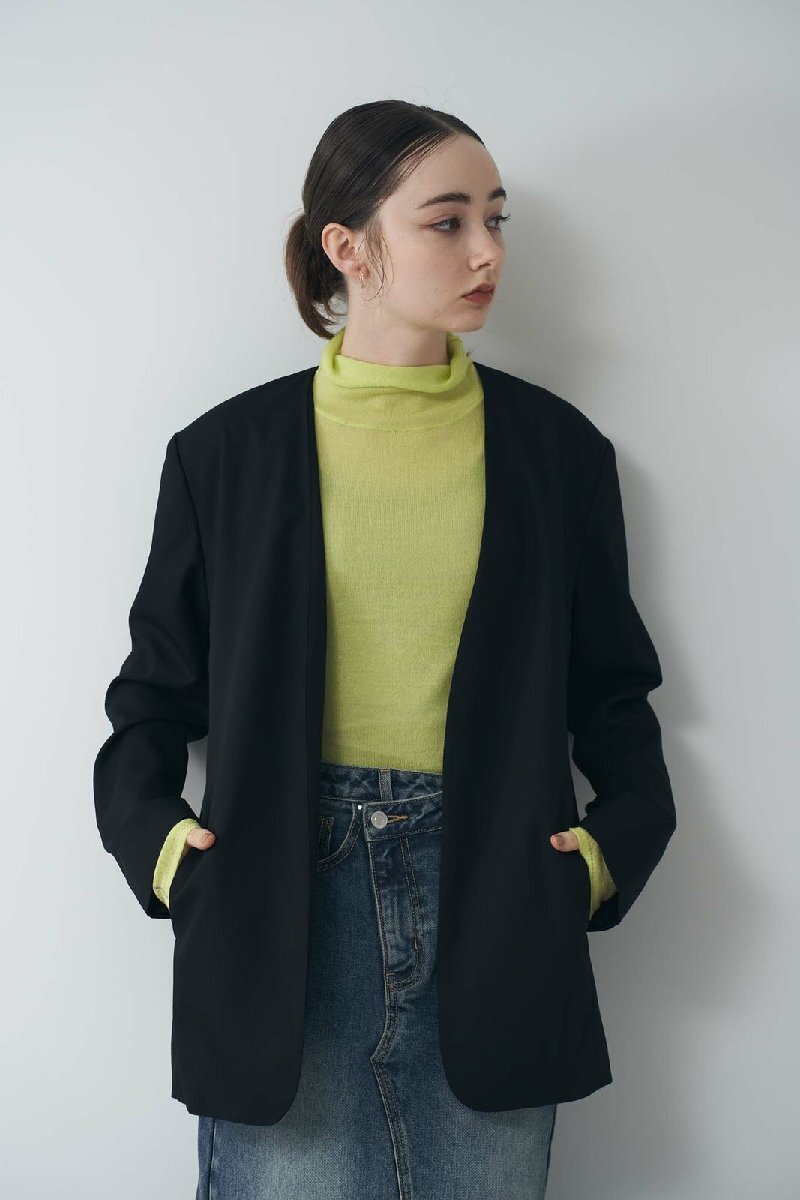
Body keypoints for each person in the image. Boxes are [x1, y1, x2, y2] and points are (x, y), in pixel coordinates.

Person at [94, 100, 674, 1200]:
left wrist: (607, 854)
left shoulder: (557, 453)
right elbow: (152, 698)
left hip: (499, 896)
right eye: (447, 221)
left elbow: (613, 691)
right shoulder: (224, 455)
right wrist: (168, 855)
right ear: (348, 247)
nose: (487, 251)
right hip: (278, 910)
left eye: (495, 219)